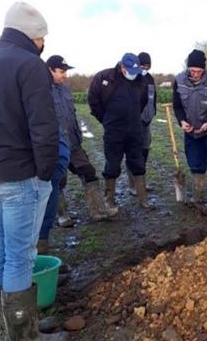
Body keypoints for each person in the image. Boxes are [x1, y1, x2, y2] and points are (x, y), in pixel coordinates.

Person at [0, 2, 69, 341]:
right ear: (35, 36)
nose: (43, 44)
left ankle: (14, 327)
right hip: (20, 176)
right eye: (42, 38)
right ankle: (25, 338)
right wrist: (46, 173)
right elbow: (44, 128)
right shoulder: (30, 66)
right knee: (20, 255)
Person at [44, 55, 116, 235]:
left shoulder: (65, 90)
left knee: (89, 173)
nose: (65, 75)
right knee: (57, 181)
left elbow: (71, 114)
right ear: (49, 70)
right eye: (61, 72)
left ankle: (99, 211)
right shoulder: (40, 90)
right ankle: (62, 215)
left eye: (66, 71)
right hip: (53, 146)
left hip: (74, 144)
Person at [87, 53, 150, 209]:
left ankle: (143, 199)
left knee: (137, 161)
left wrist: (134, 117)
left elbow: (142, 102)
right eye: (130, 72)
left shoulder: (140, 80)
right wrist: (107, 119)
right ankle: (109, 199)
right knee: (112, 163)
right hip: (114, 129)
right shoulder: (104, 78)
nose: (133, 75)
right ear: (122, 67)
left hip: (134, 128)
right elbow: (93, 101)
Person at [172, 49, 207, 210]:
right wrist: (182, 121)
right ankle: (198, 196)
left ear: (204, 69)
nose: (195, 74)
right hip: (190, 131)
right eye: (192, 71)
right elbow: (177, 105)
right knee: (195, 162)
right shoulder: (179, 80)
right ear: (188, 68)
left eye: (199, 71)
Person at [127, 52, 157, 196]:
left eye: (147, 66)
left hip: (146, 122)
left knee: (145, 151)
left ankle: (142, 181)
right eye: (142, 66)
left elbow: (153, 99)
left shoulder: (150, 79)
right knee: (134, 153)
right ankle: (132, 185)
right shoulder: (133, 78)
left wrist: (153, 113)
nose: (145, 69)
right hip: (134, 123)